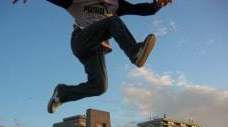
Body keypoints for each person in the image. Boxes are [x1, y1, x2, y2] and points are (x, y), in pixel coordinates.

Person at [13, 0, 172, 113]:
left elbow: (138, 9)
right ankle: (135, 53)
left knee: (100, 86)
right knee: (112, 21)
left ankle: (62, 94)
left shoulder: (116, 3)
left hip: (97, 49)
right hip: (81, 40)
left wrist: (156, 5)